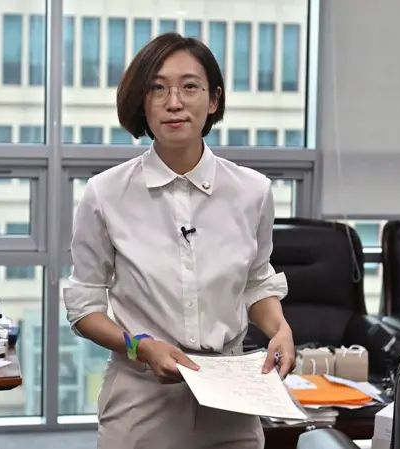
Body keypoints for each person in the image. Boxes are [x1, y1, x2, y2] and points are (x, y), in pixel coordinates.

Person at [63, 32, 295, 449]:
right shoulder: (105, 193)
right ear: (142, 102)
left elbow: (256, 283)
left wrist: (279, 329)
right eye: (157, 88)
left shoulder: (253, 192)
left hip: (232, 398)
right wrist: (141, 346)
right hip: (141, 397)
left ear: (213, 100)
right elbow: (85, 308)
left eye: (190, 86)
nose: (174, 102)